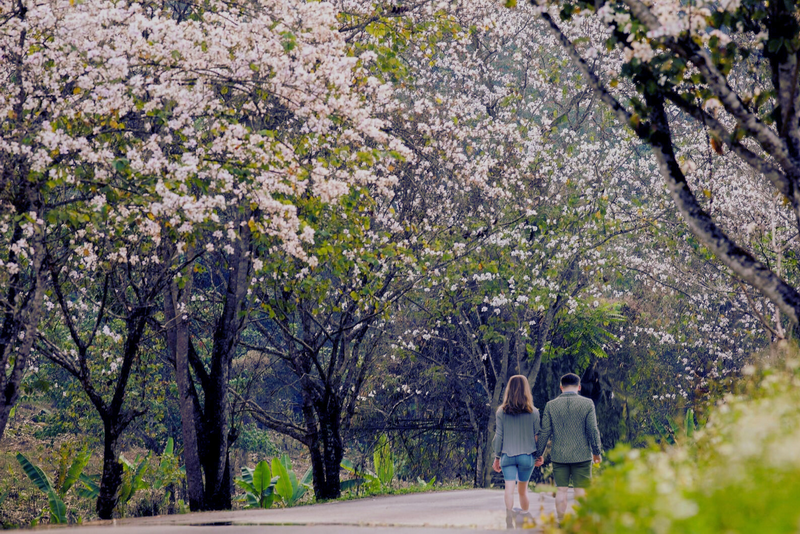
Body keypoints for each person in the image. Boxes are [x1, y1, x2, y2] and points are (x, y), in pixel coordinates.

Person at [535, 372, 602, 522]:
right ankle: (582, 522)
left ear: (561, 387)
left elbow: (545, 431)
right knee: (581, 490)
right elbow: (592, 429)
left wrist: (538, 453)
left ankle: (560, 521)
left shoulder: (551, 405)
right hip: (582, 455)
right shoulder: (587, 404)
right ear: (579, 387)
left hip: (560, 456)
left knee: (561, 490)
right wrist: (596, 452)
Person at [491, 375, 541, 528]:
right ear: (526, 390)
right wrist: (539, 455)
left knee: (509, 488)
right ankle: (524, 514)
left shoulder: (501, 412)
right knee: (523, 490)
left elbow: (498, 436)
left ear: (509, 390)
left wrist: (497, 457)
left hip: (507, 456)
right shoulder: (534, 412)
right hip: (527, 457)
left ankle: (508, 515)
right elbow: (537, 436)